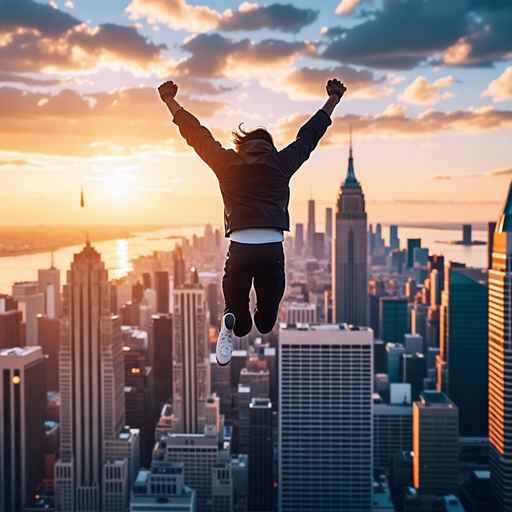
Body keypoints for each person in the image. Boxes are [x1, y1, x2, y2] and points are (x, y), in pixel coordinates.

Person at [158, 78, 347, 365]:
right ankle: (251, 313)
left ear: (242, 145)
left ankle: (230, 318)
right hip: (271, 249)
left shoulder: (225, 162)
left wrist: (170, 100)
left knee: (239, 318)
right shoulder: (281, 163)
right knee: (266, 320)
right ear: (269, 146)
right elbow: (309, 136)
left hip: (241, 248)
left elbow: (196, 134)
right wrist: (333, 98)